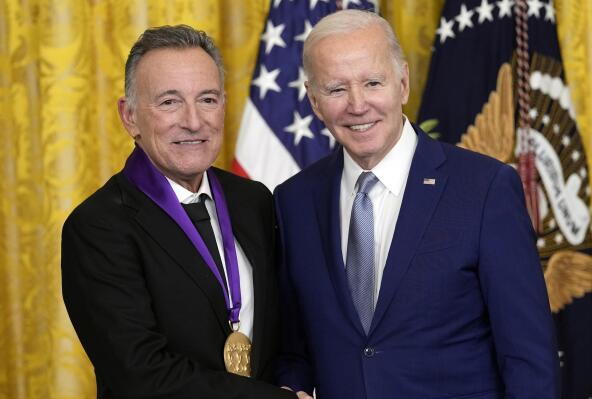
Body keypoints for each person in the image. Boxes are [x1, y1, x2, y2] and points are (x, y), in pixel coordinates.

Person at [274, 10, 560, 399]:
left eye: (373, 82)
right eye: (336, 89)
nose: (357, 105)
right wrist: (291, 388)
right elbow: (294, 348)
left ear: (403, 83)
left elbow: (529, 361)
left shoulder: (485, 189)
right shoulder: (294, 201)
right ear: (313, 100)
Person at [61, 25, 296, 399]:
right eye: (169, 102)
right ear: (130, 116)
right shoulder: (98, 227)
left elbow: (285, 328)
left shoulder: (253, 200)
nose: (193, 121)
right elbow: (140, 375)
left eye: (207, 99)